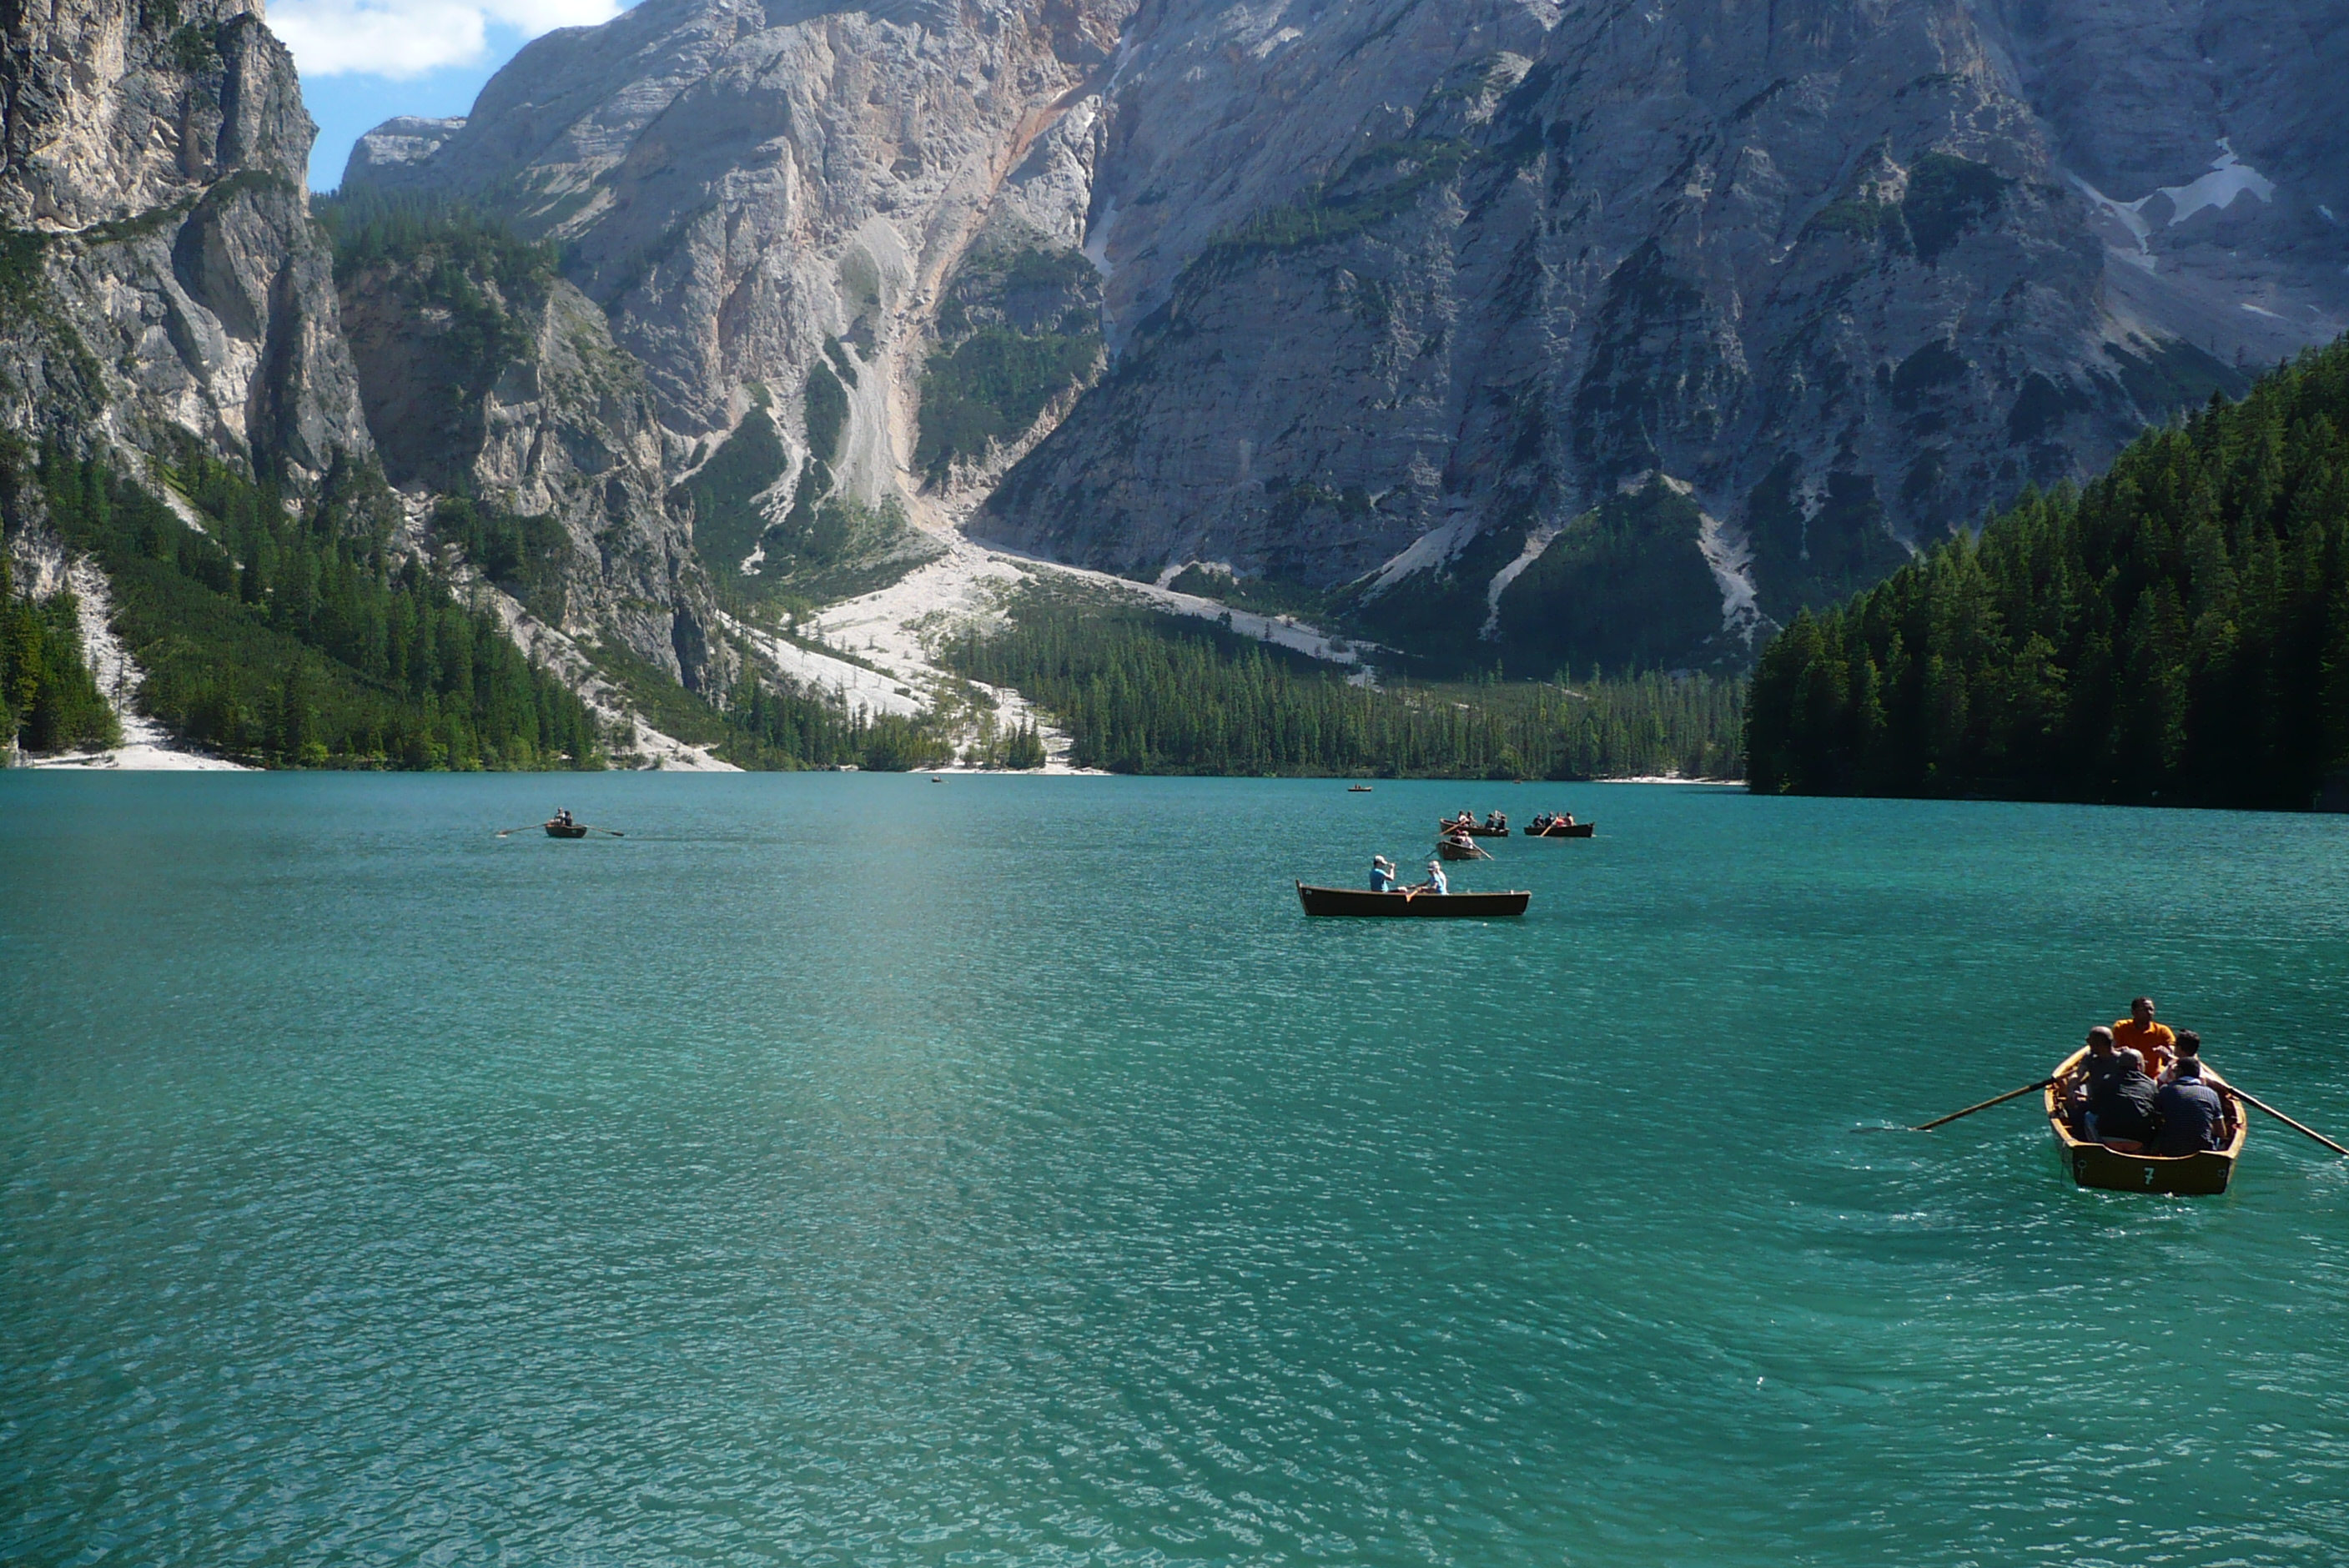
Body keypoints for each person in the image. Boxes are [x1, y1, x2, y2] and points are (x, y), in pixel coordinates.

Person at [2152, 1055, 2228, 1156]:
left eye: (2174, 1070)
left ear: (2179, 1071)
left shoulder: (2166, 1090)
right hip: (2201, 1150)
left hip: (2170, 1149)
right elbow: (2221, 1133)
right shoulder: (2211, 1094)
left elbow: (2156, 1122)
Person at [2088, 1046, 2161, 1151]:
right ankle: (2148, 1154)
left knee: (2088, 1116)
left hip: (2109, 1137)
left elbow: (2094, 1108)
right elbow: (2157, 1112)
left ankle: (2097, 1150)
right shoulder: (2151, 1084)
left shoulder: (2107, 1080)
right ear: (2139, 1065)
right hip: (2139, 1140)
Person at [2065, 1025, 2120, 1135]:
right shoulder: (2090, 1056)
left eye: (2089, 1041)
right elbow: (2078, 1074)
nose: (2088, 1043)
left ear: (2099, 1044)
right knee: (2071, 1106)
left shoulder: (2121, 1060)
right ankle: (2081, 1138)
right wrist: (2071, 1089)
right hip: (2094, 1101)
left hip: (2115, 1103)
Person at [2112, 997, 2176, 1083]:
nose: (2149, 1013)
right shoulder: (2121, 1027)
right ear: (2134, 1012)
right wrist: (2119, 1051)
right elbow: (2110, 1050)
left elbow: (2174, 1054)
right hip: (2125, 1075)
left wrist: (2166, 1053)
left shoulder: (2162, 1031)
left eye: (2151, 1010)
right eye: (2145, 1010)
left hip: (2153, 1077)